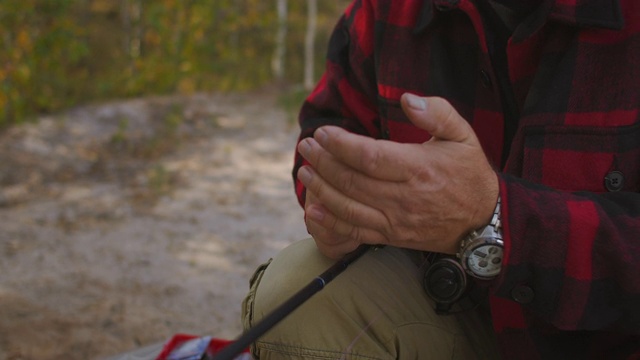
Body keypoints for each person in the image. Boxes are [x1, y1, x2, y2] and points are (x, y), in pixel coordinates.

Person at [241, 0, 640, 358]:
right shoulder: (383, 13)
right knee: (295, 289)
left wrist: (494, 216)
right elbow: (327, 124)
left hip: (609, 339)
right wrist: (333, 199)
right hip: (456, 317)